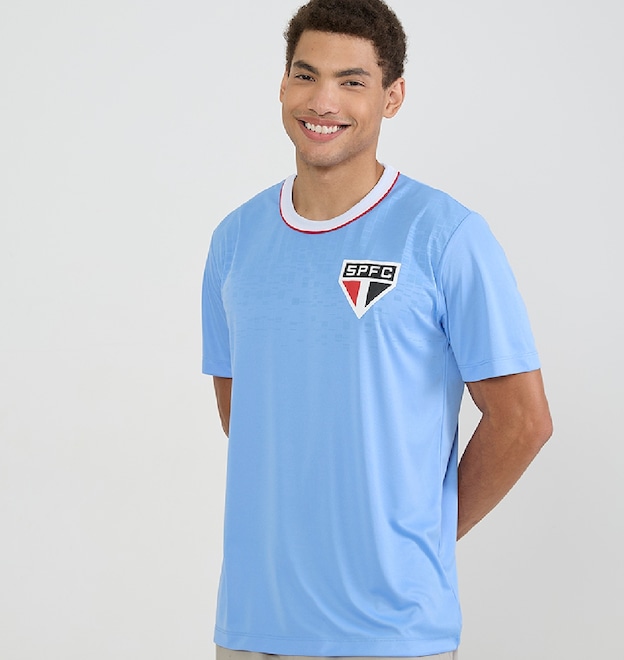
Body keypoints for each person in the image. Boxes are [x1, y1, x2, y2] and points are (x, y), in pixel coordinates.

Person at [202, 0, 553, 658]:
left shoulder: (445, 235)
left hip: (393, 632)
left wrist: (418, 541)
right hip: (254, 622)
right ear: (283, 85)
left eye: (352, 81)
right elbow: (243, 412)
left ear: (392, 97)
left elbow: (523, 421)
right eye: (305, 75)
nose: (322, 101)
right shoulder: (235, 240)